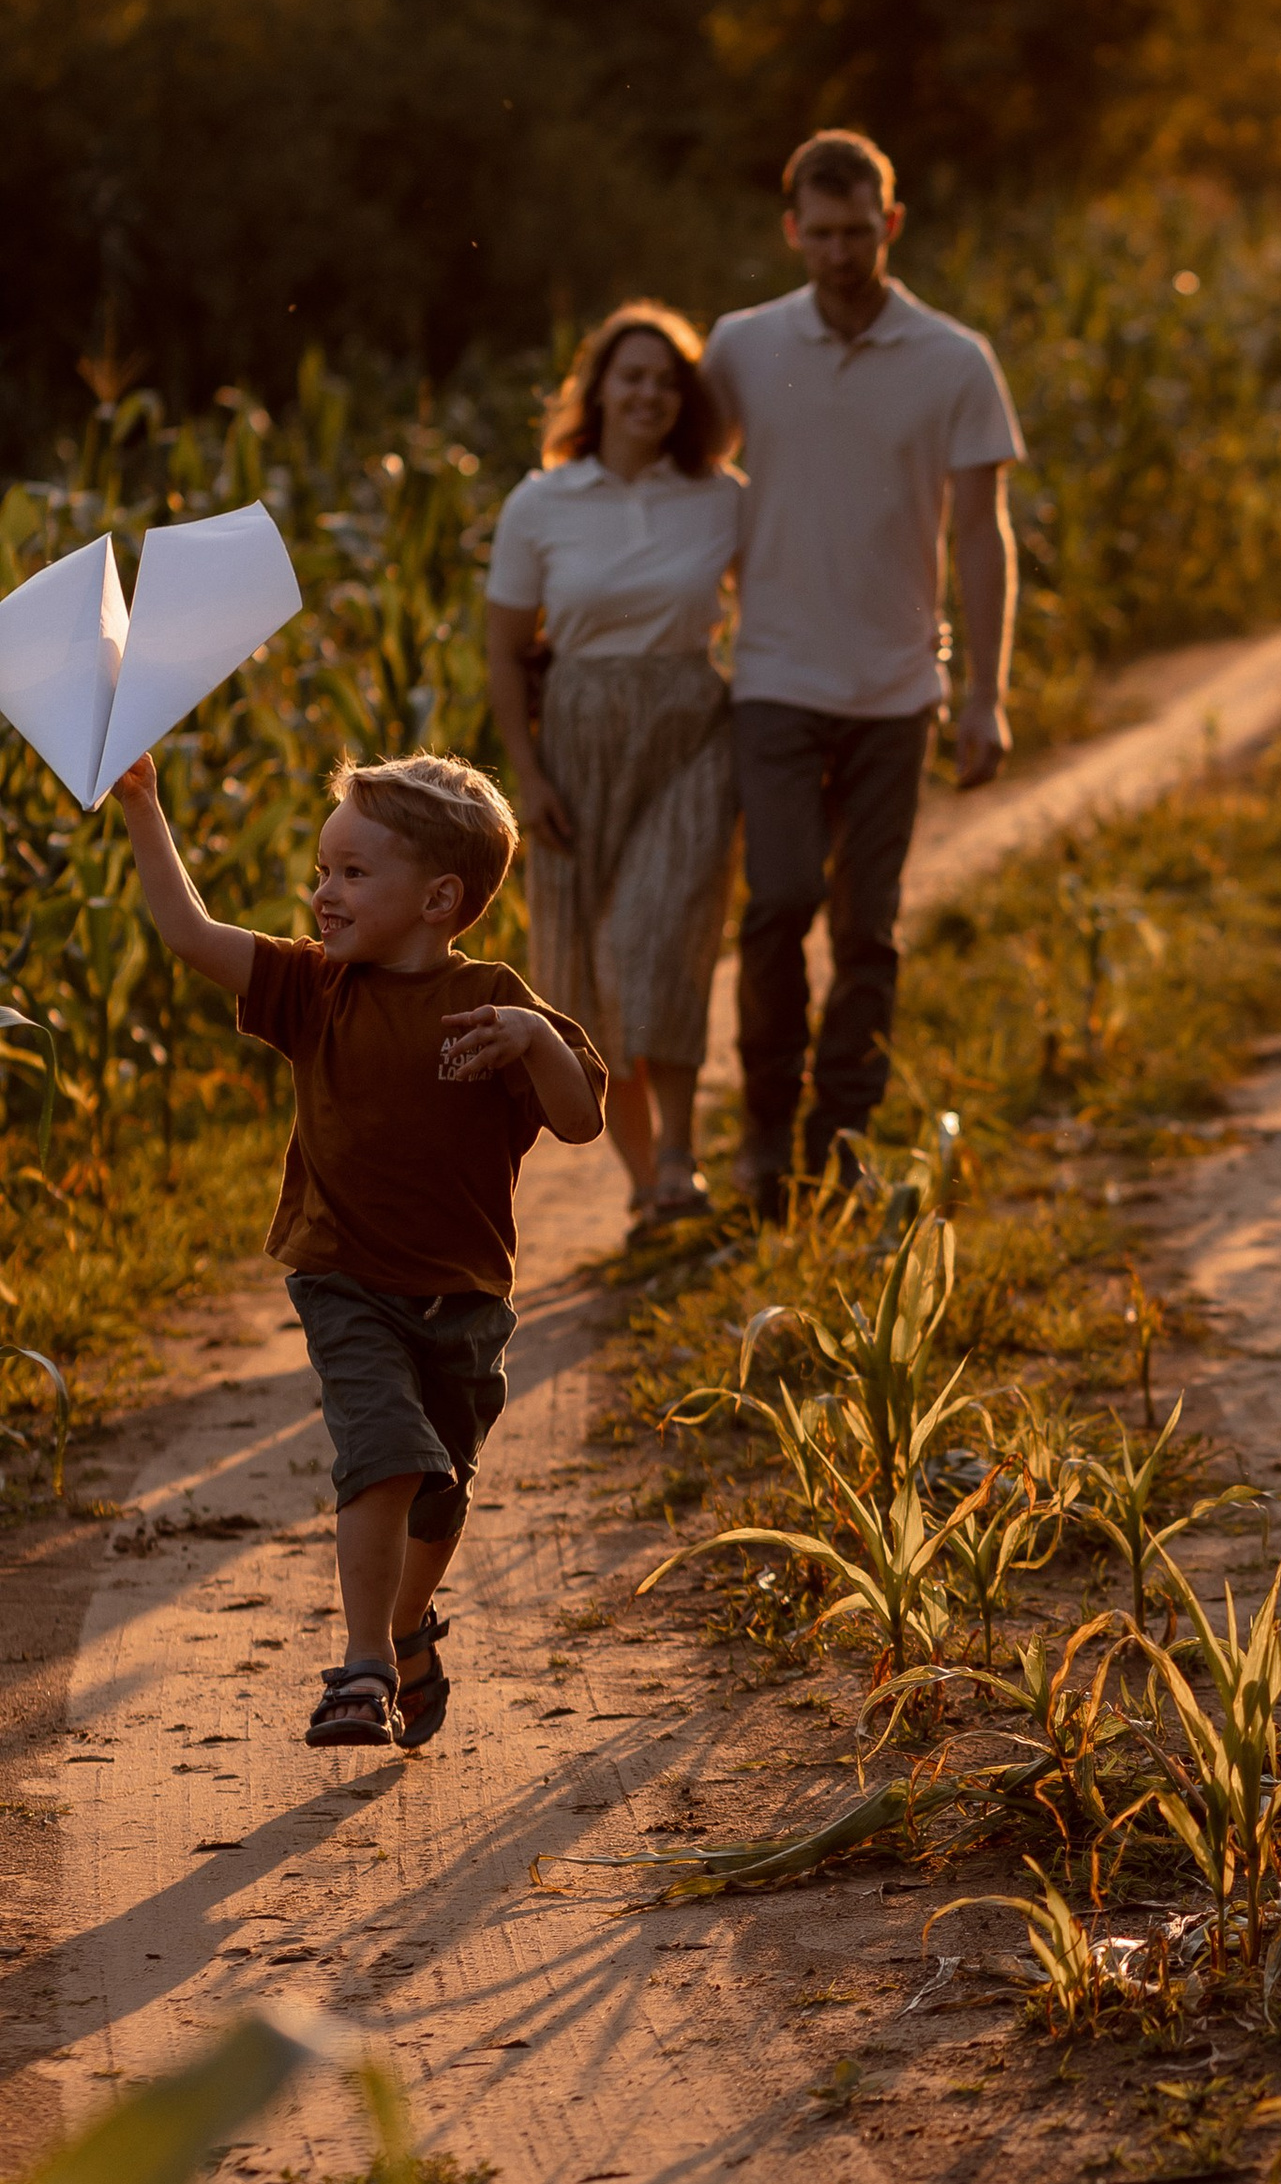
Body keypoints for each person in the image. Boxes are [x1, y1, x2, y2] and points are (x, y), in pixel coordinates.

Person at [112, 748, 606, 1753]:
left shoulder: (494, 1000)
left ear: (438, 898)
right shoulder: (311, 985)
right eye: (323, 868)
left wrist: (535, 1039)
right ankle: (364, 1664)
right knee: (384, 1457)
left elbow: (582, 1118)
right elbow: (187, 931)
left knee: (441, 1489)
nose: (322, 892)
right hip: (346, 1283)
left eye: (350, 873)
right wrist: (143, 806)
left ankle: (409, 1624)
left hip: (464, 1301)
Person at [703, 129, 1025, 1218]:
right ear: (792, 230)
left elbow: (982, 535)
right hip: (775, 677)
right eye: (820, 233)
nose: (840, 252)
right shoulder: (742, 347)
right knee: (778, 900)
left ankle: (840, 1136)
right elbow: (679, 481)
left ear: (892, 224)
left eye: (859, 231)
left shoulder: (953, 359)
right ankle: (761, 1134)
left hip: (898, 688)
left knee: (868, 928)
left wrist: (986, 691)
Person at [484, 301, 743, 1223]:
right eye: (631, 376)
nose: (649, 394)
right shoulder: (542, 501)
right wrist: (529, 772)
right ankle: (648, 1185)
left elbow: (779, 603)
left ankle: (683, 1150)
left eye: (667, 381)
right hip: (578, 737)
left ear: (689, 399)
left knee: (657, 940)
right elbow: (507, 648)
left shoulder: (721, 497)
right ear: (596, 389)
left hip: (691, 730)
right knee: (585, 971)